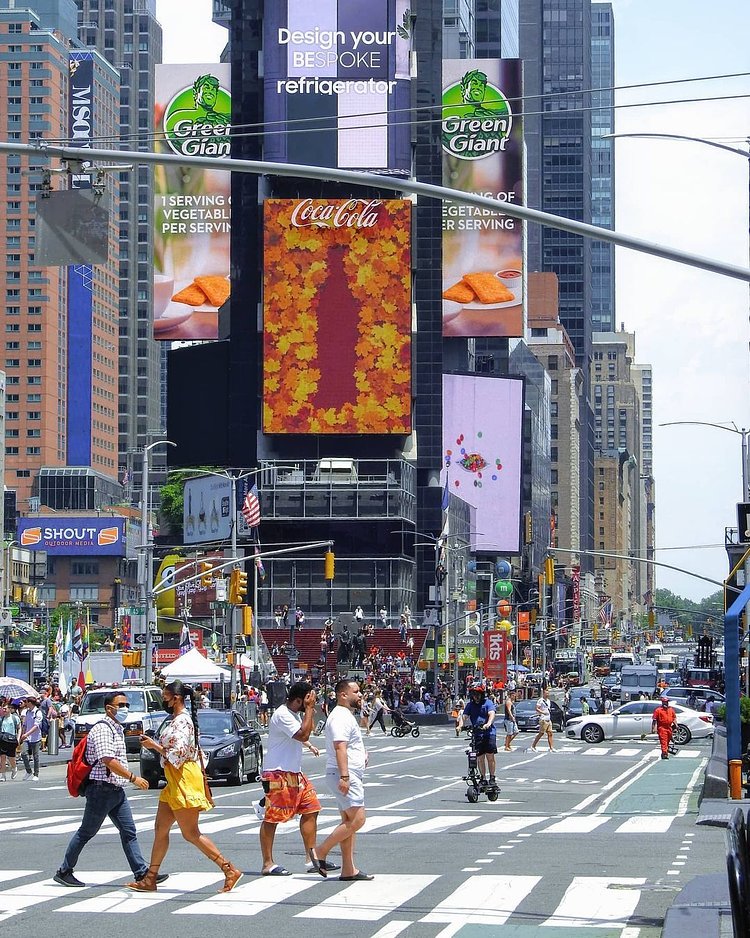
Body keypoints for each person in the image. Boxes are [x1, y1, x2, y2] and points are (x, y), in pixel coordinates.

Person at [129, 680, 242, 892]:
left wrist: (154, 746)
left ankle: (229, 869)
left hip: (183, 778)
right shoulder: (175, 720)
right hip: (174, 779)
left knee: (190, 833)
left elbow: (178, 753)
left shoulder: (182, 721)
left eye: (165, 697)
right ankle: (150, 878)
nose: (163, 700)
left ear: (176, 698)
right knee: (160, 828)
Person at [53, 691, 162, 888]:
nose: (125, 708)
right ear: (109, 708)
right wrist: (134, 778)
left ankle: (141, 873)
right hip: (101, 790)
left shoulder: (116, 728)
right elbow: (108, 760)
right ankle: (64, 870)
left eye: (127, 705)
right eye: (121, 705)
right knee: (87, 832)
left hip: (115, 790)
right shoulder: (103, 729)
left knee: (129, 831)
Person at [258, 682, 338, 877]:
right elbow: (302, 734)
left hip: (294, 773)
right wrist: (309, 709)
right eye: (309, 699)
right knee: (272, 817)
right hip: (277, 773)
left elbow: (306, 731)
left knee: (312, 808)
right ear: (299, 700)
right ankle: (267, 863)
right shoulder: (282, 714)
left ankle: (311, 859)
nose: (312, 703)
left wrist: (309, 742)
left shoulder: (293, 714)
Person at [314, 679, 373, 881]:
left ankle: (348, 869)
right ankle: (320, 851)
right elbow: (340, 747)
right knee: (358, 820)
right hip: (344, 774)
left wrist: (361, 756)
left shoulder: (344, 715)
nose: (360, 695)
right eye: (356, 691)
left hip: (346, 772)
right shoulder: (340, 716)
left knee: (348, 822)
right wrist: (345, 776)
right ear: (343, 695)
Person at [462, 683, 497, 787]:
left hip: (489, 733)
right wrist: (460, 725)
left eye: (478, 694)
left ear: (482, 694)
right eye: (474, 694)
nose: (476, 696)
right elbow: (464, 716)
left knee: (490, 756)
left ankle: (492, 777)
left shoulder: (488, 703)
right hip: (477, 734)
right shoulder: (470, 705)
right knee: (480, 757)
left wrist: (488, 723)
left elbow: (492, 713)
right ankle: (483, 778)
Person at [20, 695, 42, 781]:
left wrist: (27, 734)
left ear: (30, 703)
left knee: (35, 756)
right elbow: (25, 724)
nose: (25, 703)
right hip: (27, 737)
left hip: (35, 737)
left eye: (26, 702)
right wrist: (23, 734)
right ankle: (28, 771)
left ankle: (36, 774)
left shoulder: (38, 712)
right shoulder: (27, 712)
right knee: (23, 753)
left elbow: (36, 726)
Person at [0, 697, 20, 781]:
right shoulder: (1, 719)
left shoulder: (15, 718)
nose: (4, 710)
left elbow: (19, 728)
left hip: (11, 740)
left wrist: (18, 738)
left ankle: (14, 768)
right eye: (3, 708)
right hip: (2, 740)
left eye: (5, 708)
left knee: (11, 758)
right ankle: (3, 775)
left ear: (9, 709)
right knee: (2, 757)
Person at [531, 687, 556, 752]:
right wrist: (542, 712)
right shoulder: (541, 700)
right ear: (543, 694)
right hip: (543, 719)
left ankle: (551, 747)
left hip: (548, 718)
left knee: (550, 733)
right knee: (541, 733)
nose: (547, 694)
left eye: (548, 693)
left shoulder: (549, 701)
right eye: (546, 693)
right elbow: (537, 708)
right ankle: (533, 746)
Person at [652, 695, 677, 760]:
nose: (666, 703)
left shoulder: (671, 709)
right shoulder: (658, 710)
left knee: (667, 741)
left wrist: (676, 725)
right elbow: (654, 720)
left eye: (667, 702)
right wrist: (654, 728)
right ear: (662, 702)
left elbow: (674, 718)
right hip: (662, 728)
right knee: (664, 741)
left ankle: (664, 752)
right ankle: (664, 753)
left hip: (669, 727)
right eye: (665, 702)